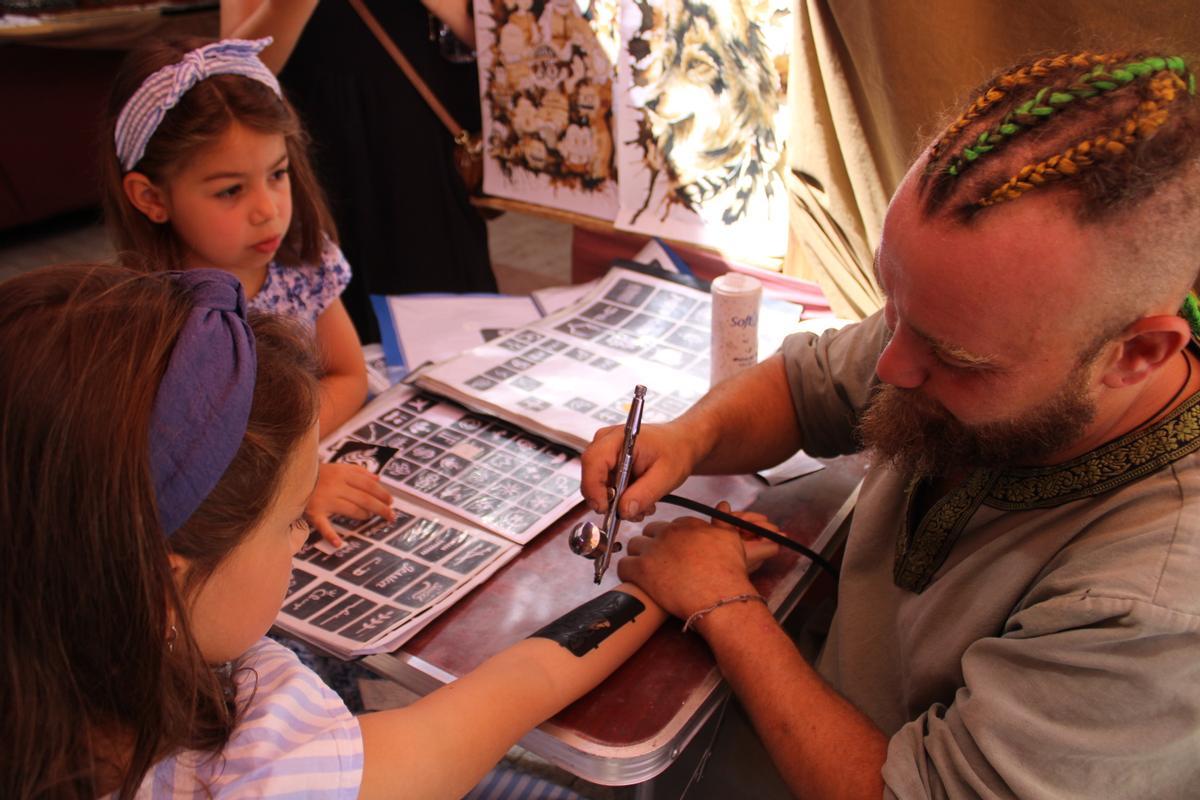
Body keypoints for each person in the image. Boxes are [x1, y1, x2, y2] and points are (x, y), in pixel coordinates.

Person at [582, 50, 1200, 797]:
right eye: (893, 305)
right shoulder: (973, 328)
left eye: (955, 357)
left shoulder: (1151, 607)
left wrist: (724, 606)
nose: (893, 364)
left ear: (1135, 353)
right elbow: (806, 385)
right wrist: (687, 438)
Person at [0, 263, 670, 798]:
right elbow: (510, 693)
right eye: (293, 516)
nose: (301, 537)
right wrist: (659, 588)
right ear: (157, 585)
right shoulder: (273, 775)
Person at [99, 36, 391, 547]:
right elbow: (180, 466)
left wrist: (280, 453)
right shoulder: (154, 315)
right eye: (230, 190)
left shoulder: (301, 259)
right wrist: (295, 479)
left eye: (277, 174)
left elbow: (348, 373)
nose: (268, 209)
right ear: (151, 198)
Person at [221, 0, 497, 344]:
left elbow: (527, 45)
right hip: (318, 174)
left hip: (432, 170)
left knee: (457, 341)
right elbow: (232, 79)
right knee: (337, 349)